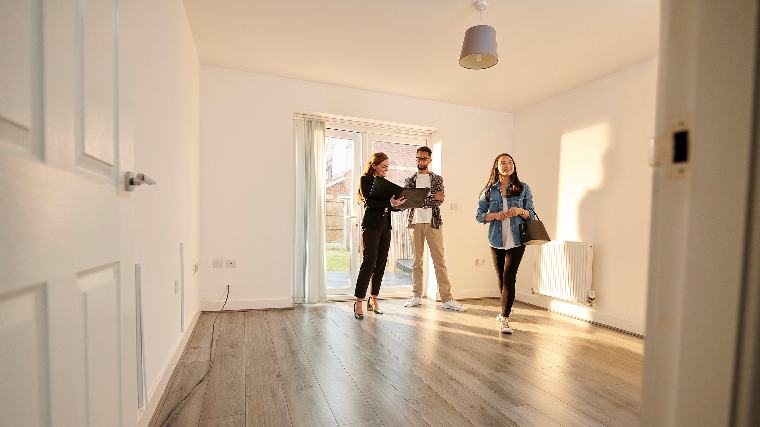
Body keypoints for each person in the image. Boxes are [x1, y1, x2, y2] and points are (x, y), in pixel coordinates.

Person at [475, 153, 535, 333]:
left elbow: (531, 213)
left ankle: (504, 317)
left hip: (517, 239)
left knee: (509, 277)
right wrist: (495, 215)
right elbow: (479, 216)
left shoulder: (523, 188)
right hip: (496, 239)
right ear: (496, 167)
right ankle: (506, 305)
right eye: (503, 163)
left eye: (510, 162)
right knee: (501, 278)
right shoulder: (488, 191)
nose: (507, 165)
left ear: (514, 166)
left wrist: (519, 210)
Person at [402, 146, 466, 312]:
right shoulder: (409, 180)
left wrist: (419, 198)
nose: (420, 161)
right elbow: (409, 202)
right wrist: (428, 197)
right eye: (418, 158)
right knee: (417, 261)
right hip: (414, 223)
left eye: (423, 158)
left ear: (429, 160)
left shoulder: (437, 179)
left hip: (433, 223)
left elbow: (439, 201)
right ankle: (416, 296)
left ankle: (447, 298)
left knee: (439, 261)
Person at [353, 152, 406, 319]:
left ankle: (374, 299)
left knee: (381, 263)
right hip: (371, 226)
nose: (386, 170)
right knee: (369, 263)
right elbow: (369, 202)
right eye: (384, 166)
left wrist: (399, 204)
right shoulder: (366, 180)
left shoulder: (385, 183)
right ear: (374, 165)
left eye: (387, 167)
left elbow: (390, 207)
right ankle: (359, 301)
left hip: (385, 226)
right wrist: (389, 203)